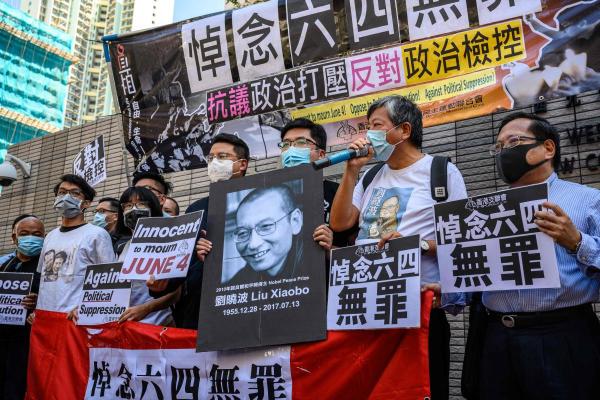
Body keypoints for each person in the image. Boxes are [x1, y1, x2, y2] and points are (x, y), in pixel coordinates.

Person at [329, 95, 468, 400]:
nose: (368, 135)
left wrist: (414, 244)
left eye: (376, 126)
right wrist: (350, 172)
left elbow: (461, 241)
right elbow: (340, 223)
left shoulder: (441, 172)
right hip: (367, 310)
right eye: (367, 127)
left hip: (417, 311)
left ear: (404, 130)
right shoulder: (371, 176)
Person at [479, 112, 600, 399]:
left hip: (562, 336)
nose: (505, 152)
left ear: (548, 148)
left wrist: (577, 242)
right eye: (498, 147)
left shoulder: (588, 200)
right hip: (496, 336)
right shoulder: (484, 212)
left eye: (514, 141)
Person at [34, 174, 116, 318]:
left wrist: (86, 308)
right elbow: (43, 277)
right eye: (62, 192)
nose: (66, 197)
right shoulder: (50, 236)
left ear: (86, 203)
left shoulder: (97, 235)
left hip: (75, 319)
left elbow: (109, 280)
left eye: (75, 193)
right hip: (45, 316)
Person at [278, 118, 356, 250]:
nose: (291, 150)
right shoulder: (270, 194)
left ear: (321, 154)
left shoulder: (340, 193)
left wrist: (329, 248)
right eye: (285, 144)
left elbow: (358, 251)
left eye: (301, 142)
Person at [114, 187, 179, 326]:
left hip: (158, 326)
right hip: (127, 325)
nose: (134, 209)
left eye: (141, 204)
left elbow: (176, 293)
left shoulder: (168, 243)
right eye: (128, 205)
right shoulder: (124, 247)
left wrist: (146, 308)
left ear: (153, 208)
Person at [0, 215, 44, 400]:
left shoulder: (48, 267)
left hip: (29, 339)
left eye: (36, 234)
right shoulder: (5, 265)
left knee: (18, 385)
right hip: (3, 336)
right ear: (14, 237)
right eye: (24, 233)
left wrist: (38, 302)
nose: (30, 238)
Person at [224, 185, 304, 284]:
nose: (253, 244)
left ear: (295, 221)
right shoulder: (240, 281)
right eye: (243, 233)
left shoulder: (317, 264)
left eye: (265, 226)